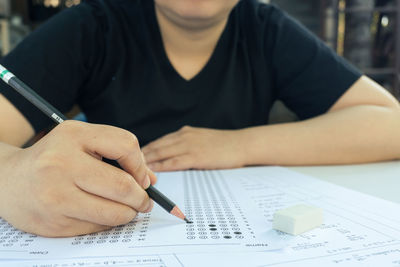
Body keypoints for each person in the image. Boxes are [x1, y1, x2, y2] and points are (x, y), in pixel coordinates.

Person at [0, 0, 399, 238]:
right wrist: (11, 175)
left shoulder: (265, 28)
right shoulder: (94, 23)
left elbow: (389, 123)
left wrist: (241, 145)